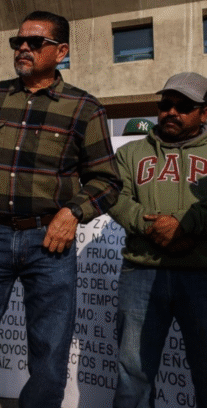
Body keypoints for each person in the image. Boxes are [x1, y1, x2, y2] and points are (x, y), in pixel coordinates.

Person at [0, 11, 121, 408]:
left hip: (49, 243)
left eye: (35, 42)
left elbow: (106, 182)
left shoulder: (84, 109)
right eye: (18, 42)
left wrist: (72, 213)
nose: (23, 47)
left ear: (61, 52)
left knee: (49, 346)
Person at [108, 72, 207, 408]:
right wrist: (151, 227)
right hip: (141, 272)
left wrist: (182, 226)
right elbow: (115, 197)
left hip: (202, 273)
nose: (172, 112)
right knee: (133, 375)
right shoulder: (131, 152)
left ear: (204, 113)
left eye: (185, 106)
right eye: (166, 104)